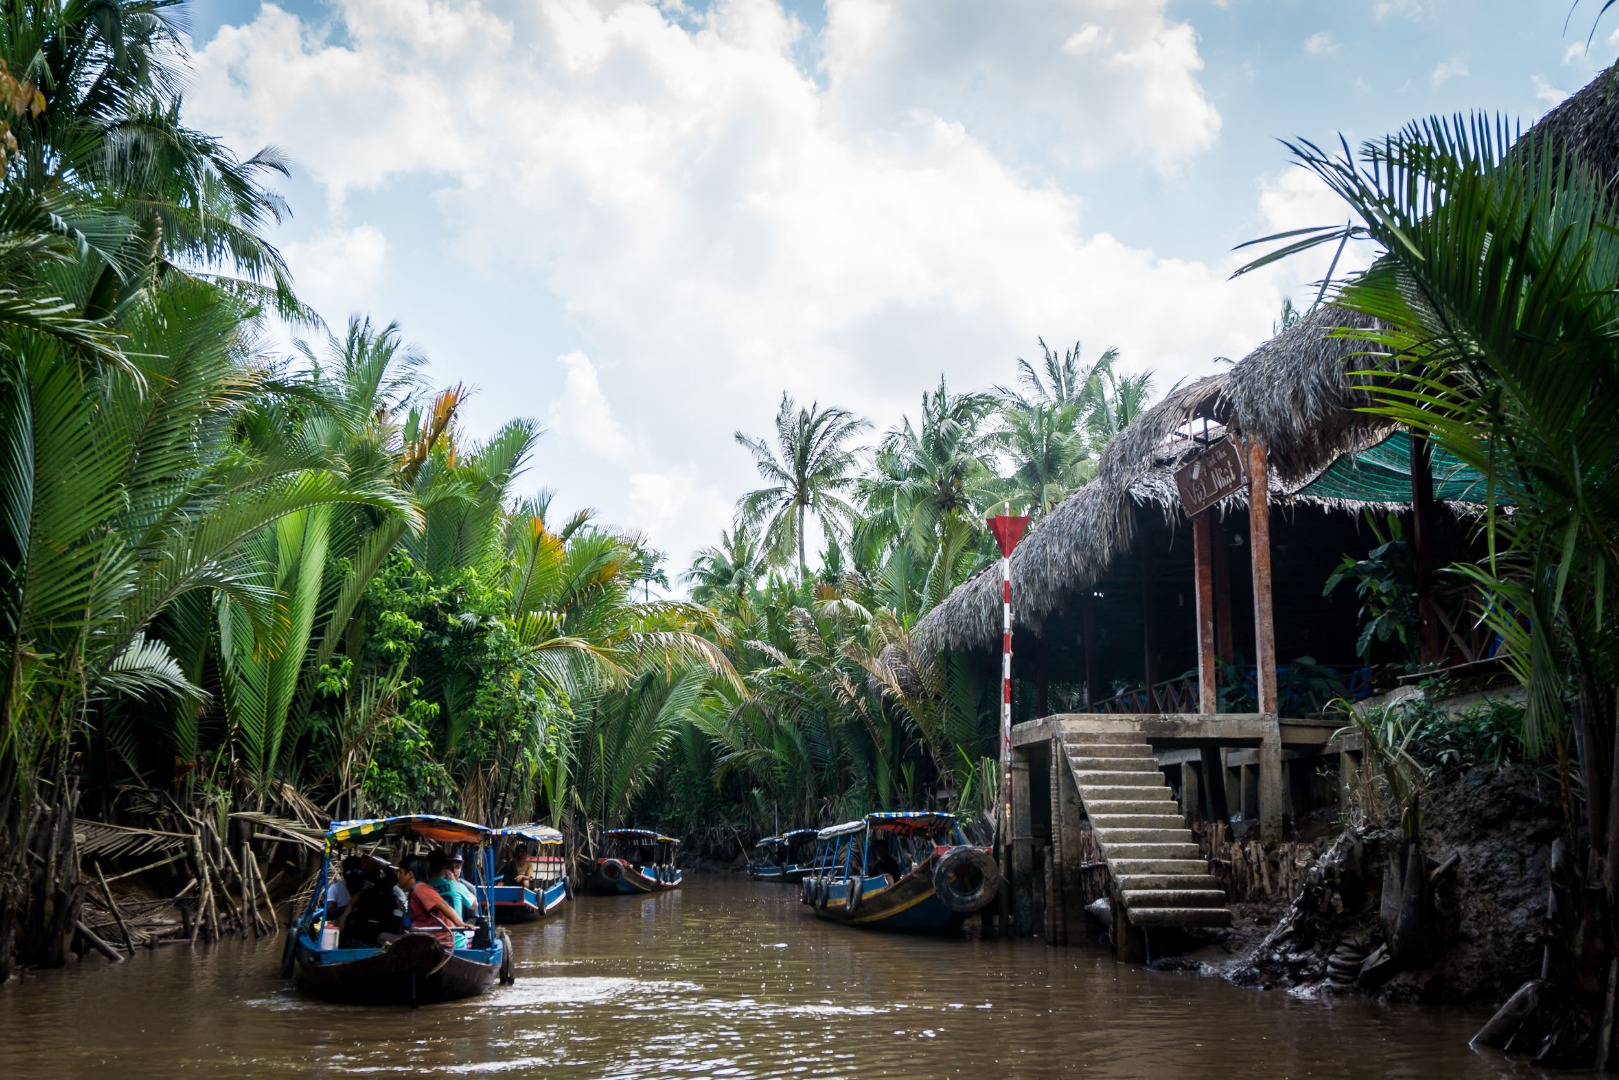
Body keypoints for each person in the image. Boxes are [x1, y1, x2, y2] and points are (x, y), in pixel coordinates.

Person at [388, 855, 471, 948]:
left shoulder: (421, 888)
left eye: (401, 873)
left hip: (439, 942)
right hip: (427, 939)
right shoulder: (414, 890)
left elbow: (443, 905)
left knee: (382, 937)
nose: (399, 877)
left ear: (409, 875)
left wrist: (460, 924)